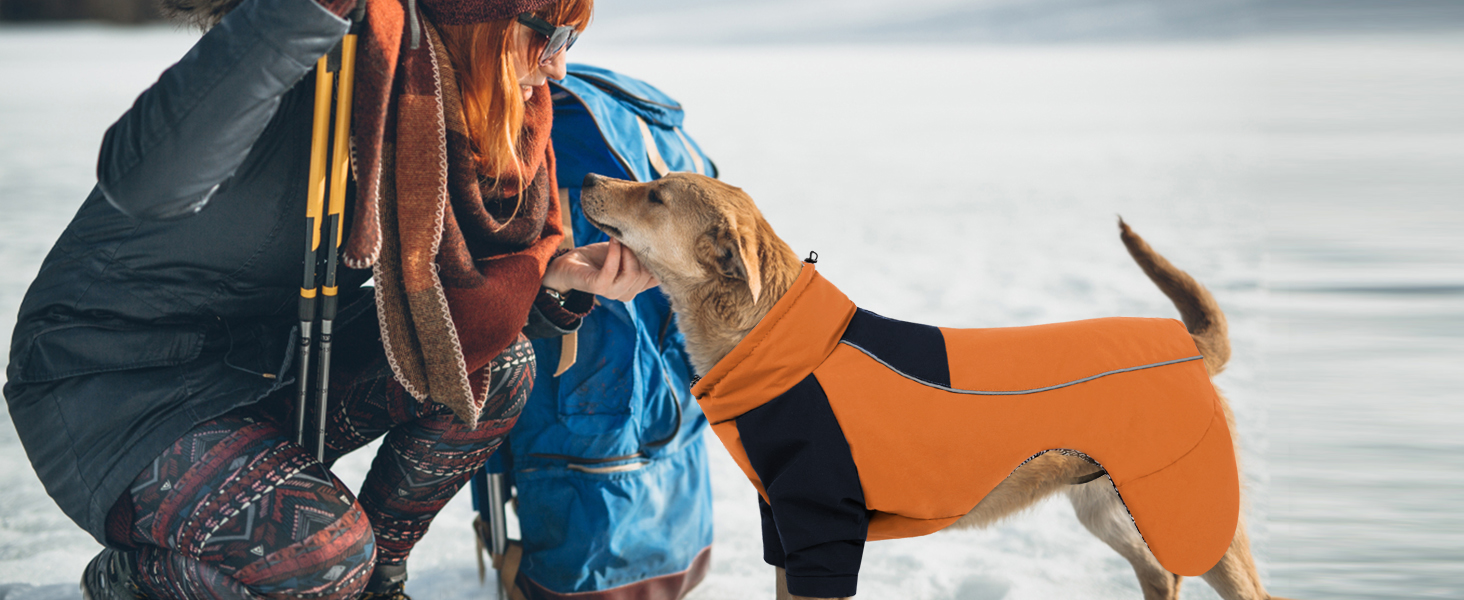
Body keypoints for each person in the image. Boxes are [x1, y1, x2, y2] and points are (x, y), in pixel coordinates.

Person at [2, 0, 655, 598]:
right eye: (549, 32)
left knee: (492, 365)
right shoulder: (320, 55)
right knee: (323, 558)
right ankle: (139, 579)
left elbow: (469, 304)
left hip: (275, 363)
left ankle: (376, 579)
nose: (560, 63)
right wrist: (299, 15)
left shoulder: (440, 105)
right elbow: (141, 179)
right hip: (122, 381)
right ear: (472, 13)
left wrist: (561, 274)